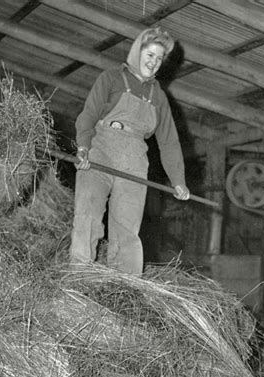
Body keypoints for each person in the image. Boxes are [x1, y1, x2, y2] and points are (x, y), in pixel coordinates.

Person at [69, 27, 190, 274]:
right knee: (88, 217)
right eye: (150, 55)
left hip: (134, 160)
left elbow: (169, 142)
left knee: (127, 229)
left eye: (159, 59)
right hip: (99, 153)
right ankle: (79, 278)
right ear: (138, 51)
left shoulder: (159, 97)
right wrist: (82, 148)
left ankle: (125, 287)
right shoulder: (111, 78)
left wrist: (178, 180)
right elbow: (88, 116)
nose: (154, 63)